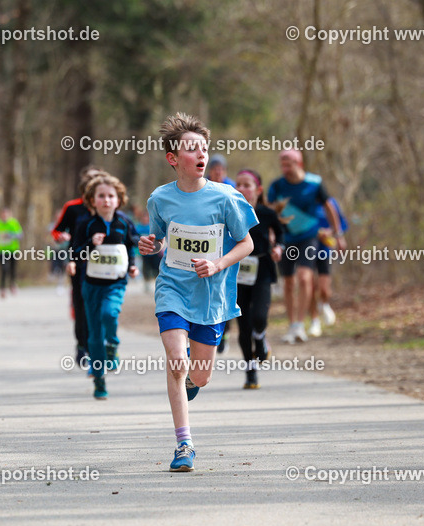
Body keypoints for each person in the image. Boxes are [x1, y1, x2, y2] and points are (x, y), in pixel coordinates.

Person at [138, 112, 255, 472]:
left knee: (199, 376)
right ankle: (184, 444)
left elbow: (247, 243)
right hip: (173, 288)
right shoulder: (160, 198)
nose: (201, 155)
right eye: (192, 149)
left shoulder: (226, 199)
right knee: (176, 361)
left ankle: (191, 380)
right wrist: (149, 244)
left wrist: (219, 264)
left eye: (204, 148)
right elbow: (158, 237)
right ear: (174, 159)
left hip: (211, 297)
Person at [71, 174, 139, 400]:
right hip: (91, 285)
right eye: (101, 196)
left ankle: (114, 345)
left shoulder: (124, 223)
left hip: (116, 284)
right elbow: (76, 253)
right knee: (94, 335)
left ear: (119, 200)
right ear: (92, 200)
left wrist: (132, 267)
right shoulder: (86, 224)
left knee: (109, 315)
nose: (106, 200)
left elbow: (131, 246)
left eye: (111, 196)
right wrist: (92, 244)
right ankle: (99, 380)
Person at [267, 149, 344, 344]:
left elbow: (329, 207)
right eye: (282, 164)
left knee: (304, 277)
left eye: (288, 164)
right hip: (285, 239)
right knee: (289, 282)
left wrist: (338, 234)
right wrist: (271, 236)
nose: (285, 168)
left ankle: (301, 324)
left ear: (299, 163)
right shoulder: (276, 186)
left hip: (309, 237)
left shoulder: (314, 183)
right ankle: (292, 325)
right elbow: (270, 212)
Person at [233, 169, 285, 389]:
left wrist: (279, 249)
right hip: (236, 272)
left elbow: (281, 235)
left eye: (247, 185)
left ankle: (261, 337)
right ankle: (250, 372)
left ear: (258, 189)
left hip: (262, 268)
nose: (242, 189)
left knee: (259, 317)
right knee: (243, 326)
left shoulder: (266, 213)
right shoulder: (230, 211)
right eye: (238, 184)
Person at [52, 166, 103, 365]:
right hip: (79, 263)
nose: (93, 182)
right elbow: (57, 231)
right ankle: (82, 346)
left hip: (104, 265)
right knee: (81, 305)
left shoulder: (106, 206)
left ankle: (98, 343)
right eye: (90, 179)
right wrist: (62, 236)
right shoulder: (73, 208)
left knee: (100, 306)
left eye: (97, 178)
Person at [307, 196, 349, 336]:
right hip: (306, 249)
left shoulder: (331, 203)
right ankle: (314, 321)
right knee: (310, 286)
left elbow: (342, 224)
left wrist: (330, 233)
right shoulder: (303, 202)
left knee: (324, 288)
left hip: (325, 248)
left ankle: (324, 304)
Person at [0, 207, 24, 297]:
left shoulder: (13, 223)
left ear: (9, 214)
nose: (4, 216)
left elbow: (20, 235)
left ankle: (12, 285)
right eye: (3, 214)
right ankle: (2, 288)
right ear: (1, 215)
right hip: (1, 251)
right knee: (4, 269)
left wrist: (10, 235)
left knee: (12, 269)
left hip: (13, 250)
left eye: (6, 214)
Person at [133, 205, 160, 293]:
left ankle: (157, 284)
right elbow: (135, 238)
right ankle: (147, 284)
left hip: (154, 253)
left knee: (156, 269)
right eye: (143, 217)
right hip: (144, 254)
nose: (145, 218)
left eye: (147, 217)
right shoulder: (138, 227)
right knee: (146, 269)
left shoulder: (152, 227)